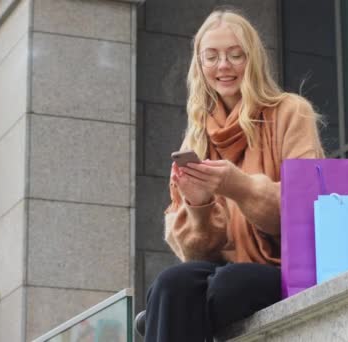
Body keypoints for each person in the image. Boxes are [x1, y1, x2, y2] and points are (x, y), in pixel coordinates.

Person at [142, 8, 325, 342]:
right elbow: (193, 256)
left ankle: (161, 315)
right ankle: (164, 311)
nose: (223, 66)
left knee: (210, 291)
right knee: (171, 283)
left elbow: (305, 211)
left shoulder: (290, 112)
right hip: (222, 272)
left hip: (284, 268)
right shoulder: (196, 136)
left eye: (234, 55)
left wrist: (238, 187)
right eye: (211, 57)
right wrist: (199, 206)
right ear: (199, 65)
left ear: (252, 59)